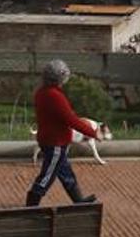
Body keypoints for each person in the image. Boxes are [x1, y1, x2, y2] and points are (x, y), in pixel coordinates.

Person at [25, 59, 99, 207]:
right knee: (47, 176)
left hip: (50, 139)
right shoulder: (55, 96)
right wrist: (92, 132)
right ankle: (31, 206)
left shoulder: (42, 92)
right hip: (55, 142)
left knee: (66, 174)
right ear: (60, 78)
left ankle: (78, 200)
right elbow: (71, 119)